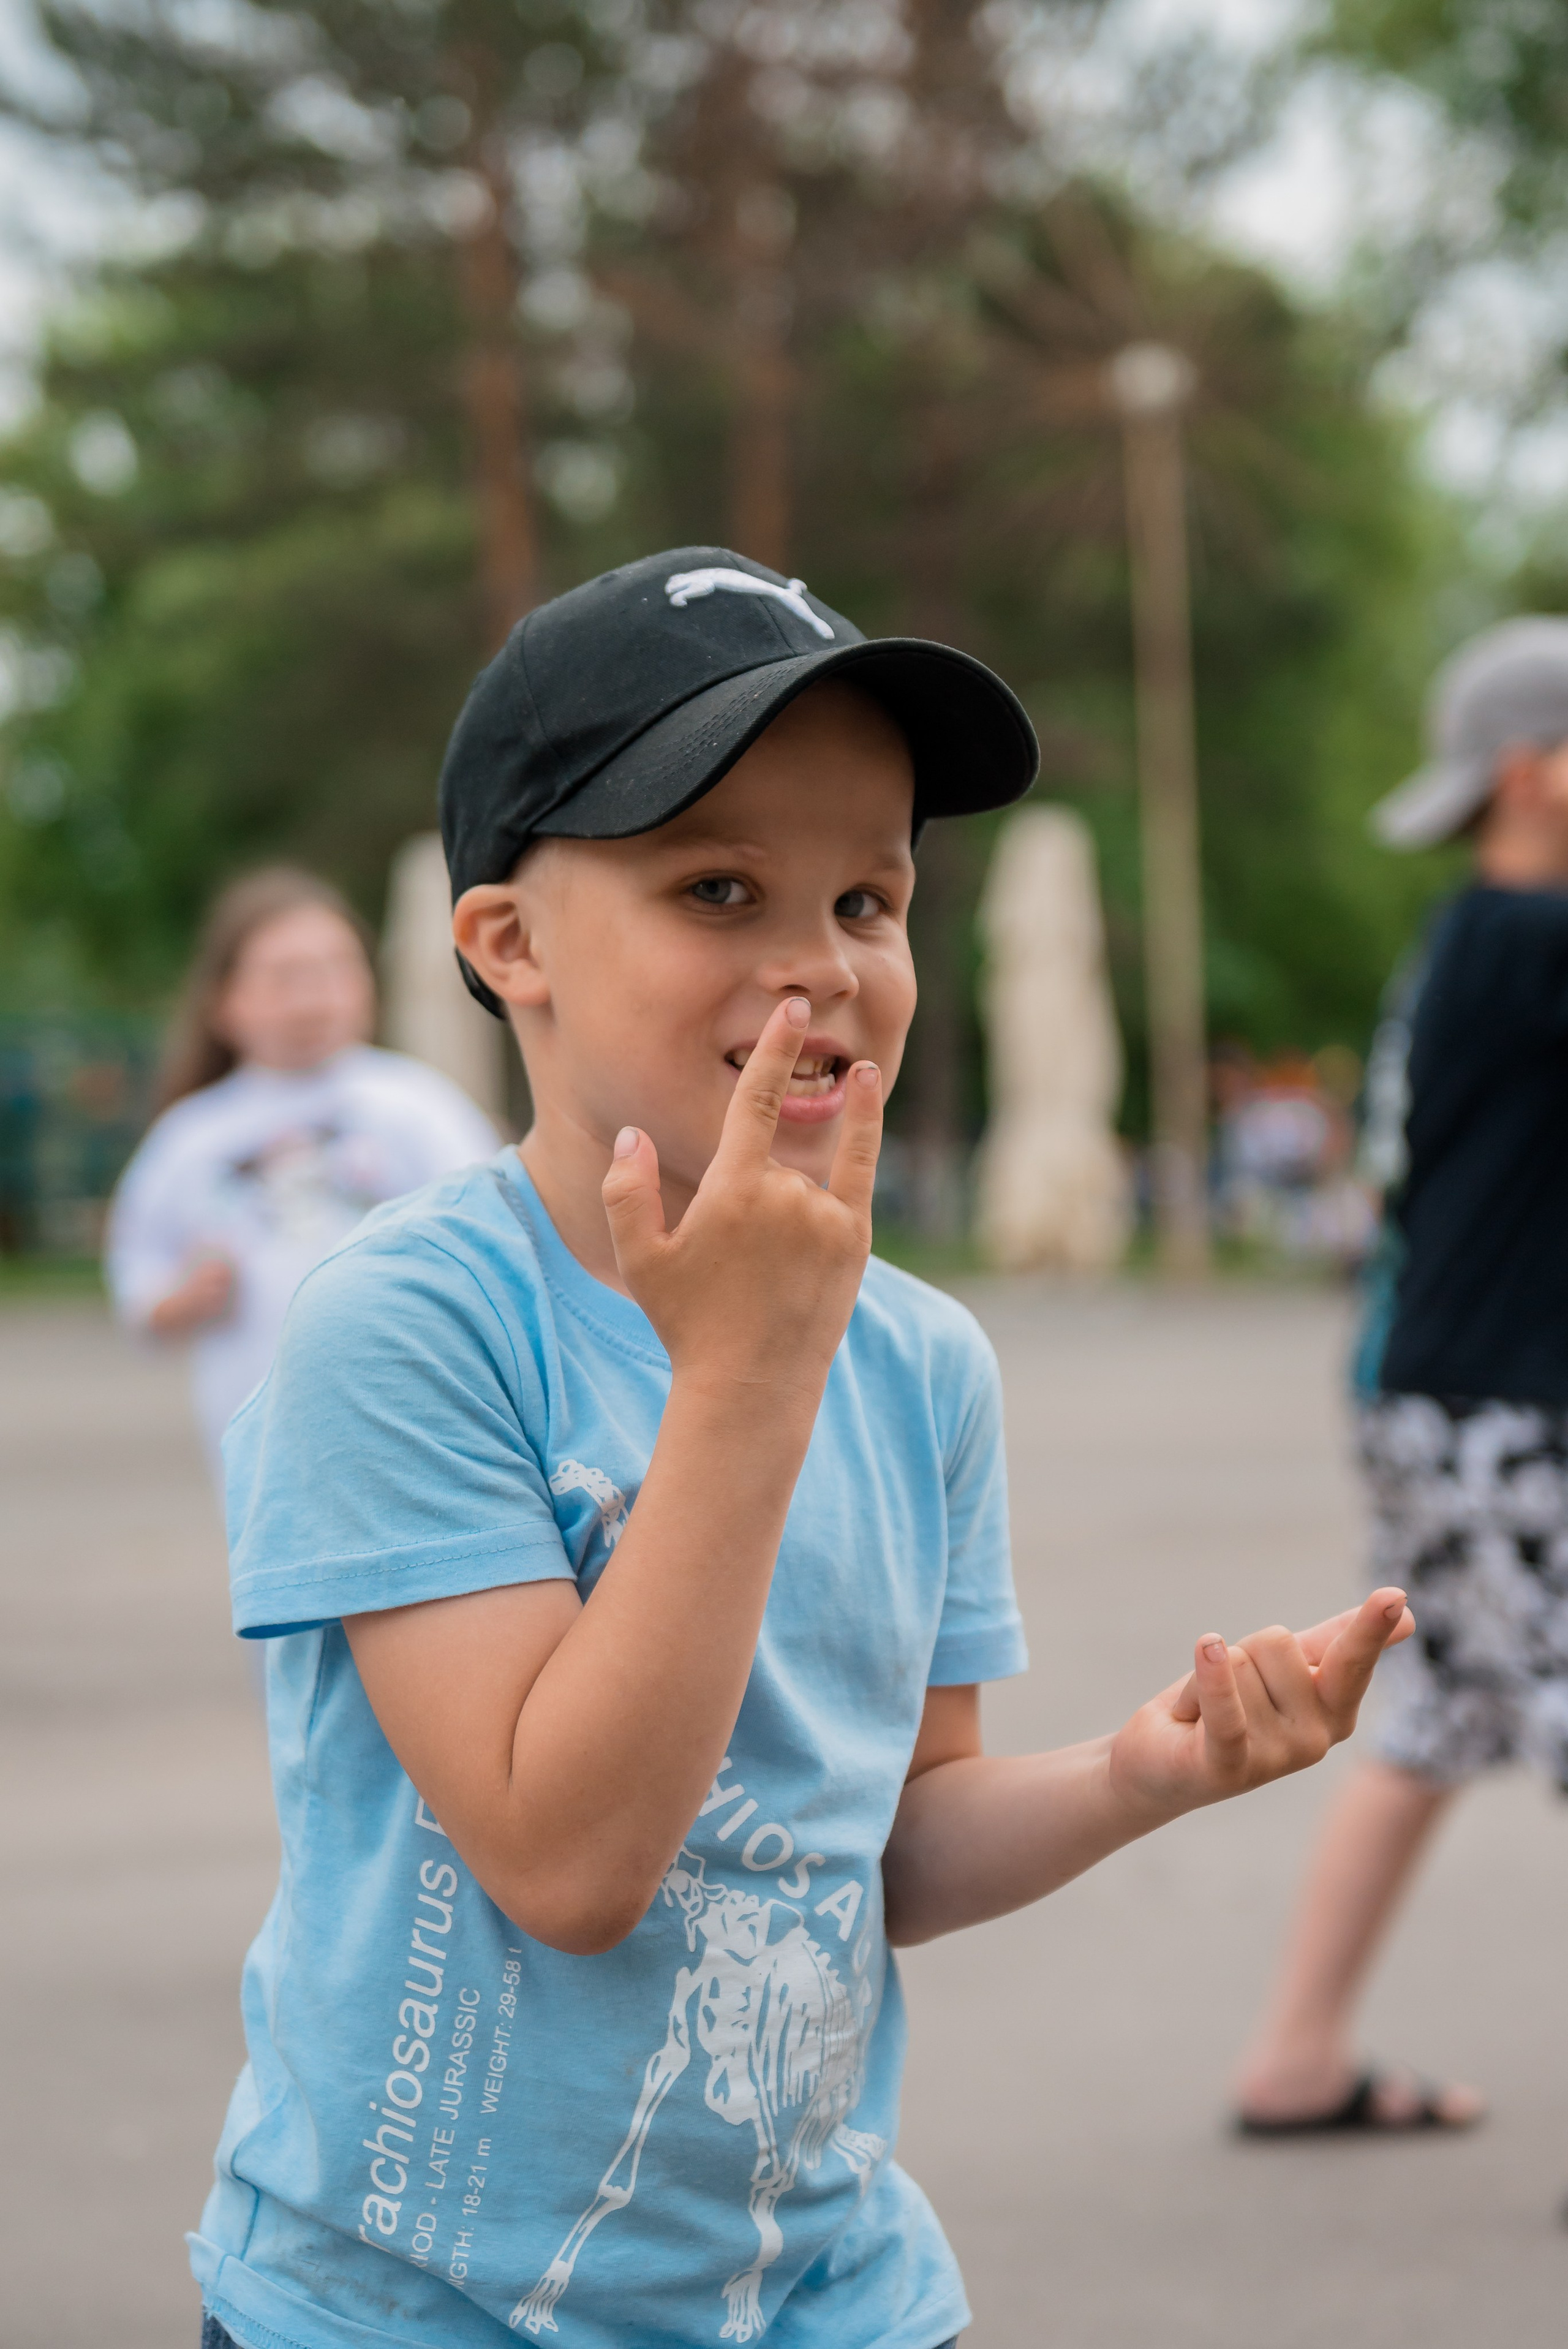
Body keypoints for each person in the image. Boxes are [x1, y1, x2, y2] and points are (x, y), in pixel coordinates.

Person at [190, 548, 1412, 2349]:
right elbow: (569, 1863)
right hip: (403, 2306)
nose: (820, 965)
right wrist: (749, 1372)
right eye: (718, 887)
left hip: (826, 2295)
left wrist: (1134, 1774)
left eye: (865, 897)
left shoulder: (919, 1361)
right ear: (509, 945)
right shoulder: (409, 1326)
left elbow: (879, 1840)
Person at [1232, 615, 1568, 2137]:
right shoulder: (1528, 941)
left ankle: (1295, 2053)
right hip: (1500, 1408)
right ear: (1538, 773)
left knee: (1433, 1715)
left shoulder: (1470, 941)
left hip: (1428, 1395)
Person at [106, 866, 500, 1475]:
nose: (314, 995)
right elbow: (137, 1263)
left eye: (335, 968)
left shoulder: (418, 1104)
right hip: (261, 1442)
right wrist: (177, 1301)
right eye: (285, 975)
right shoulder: (192, 1136)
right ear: (225, 1001)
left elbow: (496, 1234)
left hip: (414, 1423)